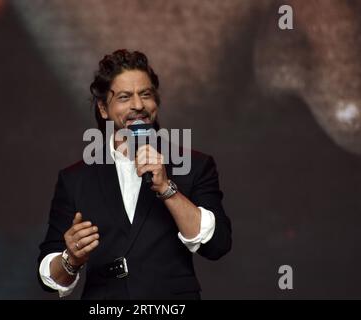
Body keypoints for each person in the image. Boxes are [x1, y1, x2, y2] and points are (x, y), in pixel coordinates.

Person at [37, 49, 232, 299]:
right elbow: (49, 277)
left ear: (156, 102)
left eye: (146, 95)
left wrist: (167, 189)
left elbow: (217, 245)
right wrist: (70, 259)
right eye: (125, 97)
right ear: (103, 108)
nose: (138, 105)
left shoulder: (194, 165)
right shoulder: (75, 179)